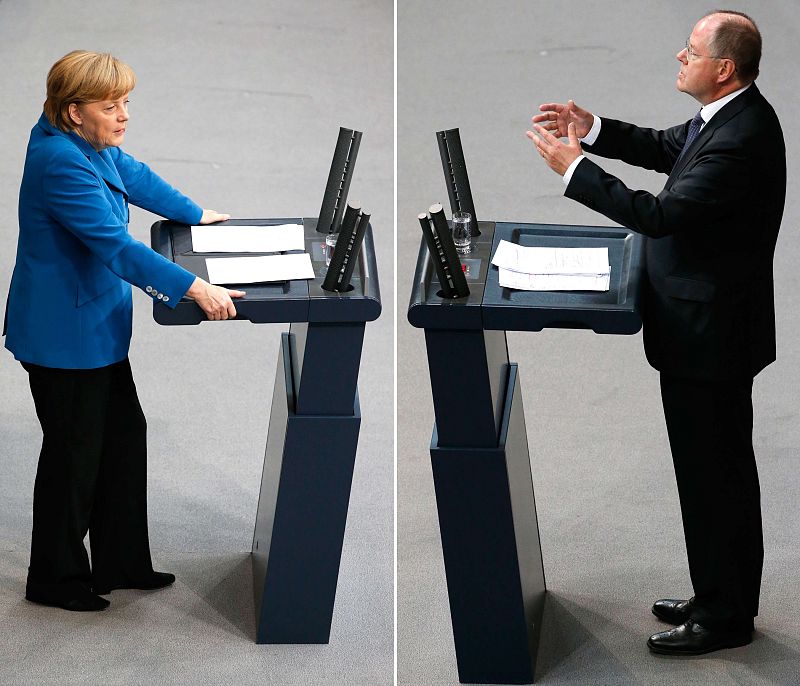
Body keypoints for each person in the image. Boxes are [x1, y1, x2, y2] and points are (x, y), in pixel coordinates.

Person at [526, 11, 785, 655]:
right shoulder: (723, 115)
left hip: (713, 339)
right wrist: (598, 129)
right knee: (706, 475)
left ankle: (725, 620)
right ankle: (715, 595)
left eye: (690, 50)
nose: (679, 55)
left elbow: (661, 213)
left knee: (715, 477)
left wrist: (574, 169)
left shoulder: (743, 136)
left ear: (722, 68)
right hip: (700, 328)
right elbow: (668, 148)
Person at [3, 50, 246, 612]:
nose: (124, 115)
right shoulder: (59, 162)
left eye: (126, 103)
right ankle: (55, 579)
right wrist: (195, 288)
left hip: (94, 328)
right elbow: (116, 246)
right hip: (64, 336)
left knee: (121, 438)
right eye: (110, 106)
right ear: (72, 112)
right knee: (74, 455)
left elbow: (134, 175)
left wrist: (194, 212)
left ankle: (121, 560)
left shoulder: (87, 144)